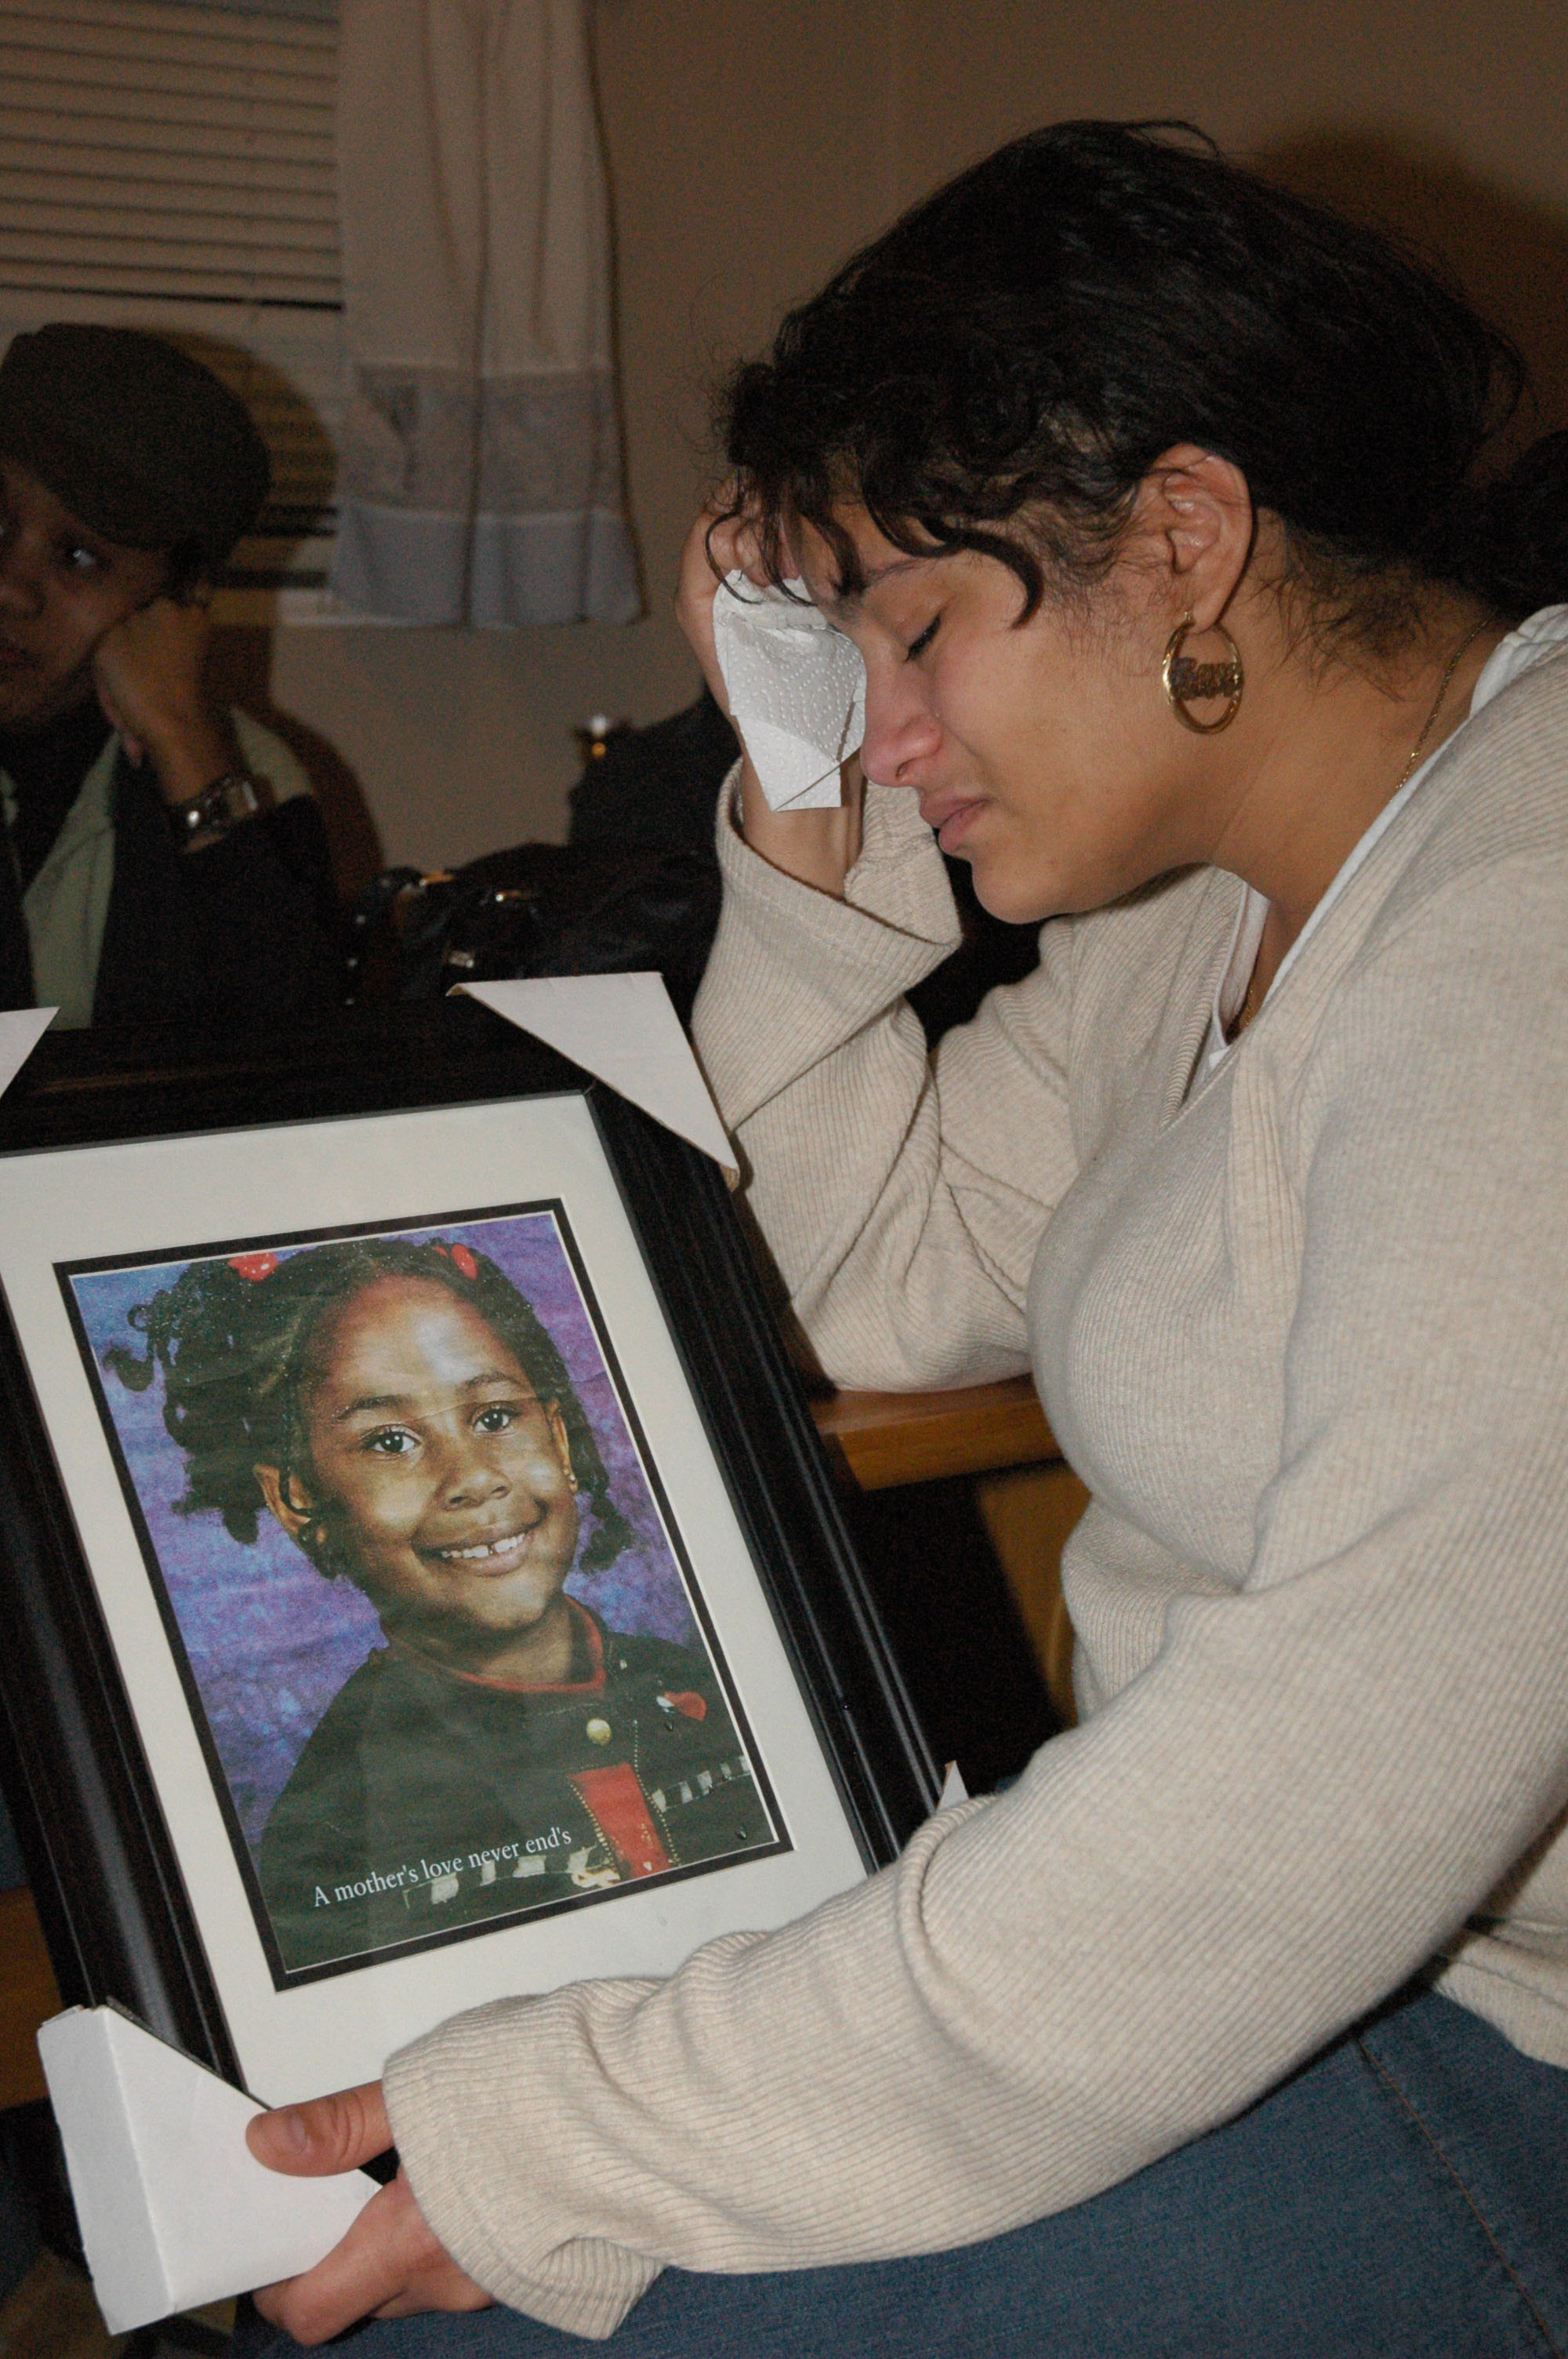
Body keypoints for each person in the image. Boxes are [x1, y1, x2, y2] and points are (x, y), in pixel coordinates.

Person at [240, 122, 1568, 2354]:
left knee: (517, 2304)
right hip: (1294, 1966)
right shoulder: (1223, 901)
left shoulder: (1525, 916)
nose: (891, 714)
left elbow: (1311, 1785)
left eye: (920, 630)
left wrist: (591, 2130)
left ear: (1183, 537)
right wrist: (814, 801)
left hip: (1484, 2036)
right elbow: (868, 1280)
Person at [105, 1234, 762, 1972]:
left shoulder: (726, 1687)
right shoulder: (342, 1823)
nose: (473, 1478)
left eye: (493, 1418)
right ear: (297, 1501)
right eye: (390, 1440)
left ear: (559, 1438)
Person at [0, 322, 339, 1027]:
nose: (12, 588)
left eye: (78, 558)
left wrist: (182, 739)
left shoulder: (251, 775)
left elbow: (285, 1064)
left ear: (176, 605)